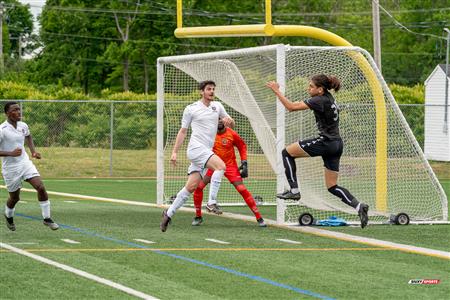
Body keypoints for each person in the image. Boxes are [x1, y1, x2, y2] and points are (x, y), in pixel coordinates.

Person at [266, 75, 369, 228]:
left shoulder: (319, 100)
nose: (308, 89)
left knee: (286, 153)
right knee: (332, 186)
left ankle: (294, 190)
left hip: (326, 142)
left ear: (320, 90)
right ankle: (358, 206)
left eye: (311, 86)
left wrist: (276, 91)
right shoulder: (328, 97)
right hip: (336, 144)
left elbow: (291, 107)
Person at [160, 80, 235, 232]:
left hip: (205, 151)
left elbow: (230, 125)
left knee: (191, 187)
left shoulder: (218, 106)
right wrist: (174, 152)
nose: (212, 91)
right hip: (196, 149)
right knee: (221, 166)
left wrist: (229, 121)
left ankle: (168, 214)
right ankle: (211, 202)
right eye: (209, 89)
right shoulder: (191, 108)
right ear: (202, 91)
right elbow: (183, 131)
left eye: (213, 89)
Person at [192, 118, 266, 227]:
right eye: (216, 119)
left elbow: (242, 146)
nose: (219, 121)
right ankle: (198, 216)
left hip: (230, 165)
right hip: (213, 164)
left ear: (225, 121)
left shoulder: (232, 134)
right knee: (199, 187)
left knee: (241, 189)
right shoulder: (208, 134)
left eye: (221, 119)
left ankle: (259, 217)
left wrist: (244, 162)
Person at [1, 102, 59, 231]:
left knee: (41, 187)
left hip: (25, 163)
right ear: (7, 113)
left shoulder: (23, 126)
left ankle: (47, 218)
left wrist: (33, 151)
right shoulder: (2, 130)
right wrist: (10, 153)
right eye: (15, 110)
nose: (19, 112)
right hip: (10, 169)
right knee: (15, 198)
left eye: (19, 109)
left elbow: (28, 137)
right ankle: (8, 215)